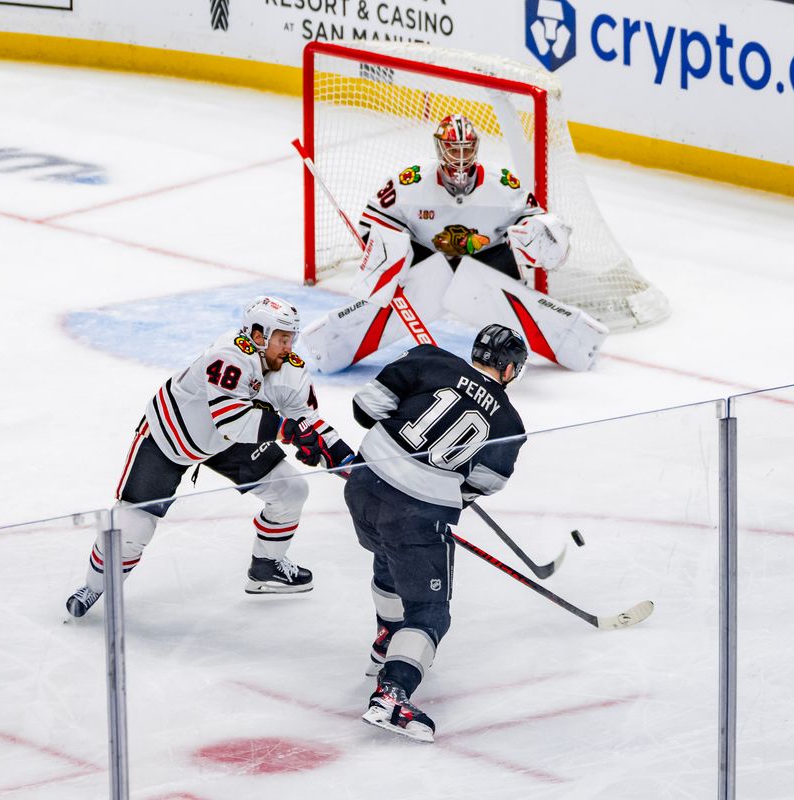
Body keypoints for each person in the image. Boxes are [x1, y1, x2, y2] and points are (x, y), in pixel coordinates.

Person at [66, 296, 353, 617]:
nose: (289, 347)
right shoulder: (229, 356)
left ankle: (266, 566)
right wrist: (286, 431)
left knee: (290, 490)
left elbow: (308, 423)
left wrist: (346, 461)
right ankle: (93, 586)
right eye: (282, 338)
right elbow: (230, 420)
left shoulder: (290, 372)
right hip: (171, 436)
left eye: (291, 338)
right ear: (258, 335)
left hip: (227, 441)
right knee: (134, 527)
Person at [302, 113, 607, 374]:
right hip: (426, 260)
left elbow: (536, 224)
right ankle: (331, 346)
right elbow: (374, 221)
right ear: (439, 148)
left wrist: (540, 233)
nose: (460, 157)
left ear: (476, 148)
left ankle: (574, 341)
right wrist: (387, 257)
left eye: (466, 148)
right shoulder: (410, 181)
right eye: (452, 148)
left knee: (504, 292)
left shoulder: (503, 184)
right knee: (405, 281)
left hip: (487, 260)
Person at [344, 323, 528, 742]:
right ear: (511, 369)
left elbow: (365, 405)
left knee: (389, 554)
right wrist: (439, 492)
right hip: (417, 512)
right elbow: (483, 484)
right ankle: (391, 696)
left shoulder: (430, 358)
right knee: (429, 613)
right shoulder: (510, 421)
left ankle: (388, 638)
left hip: (363, 486)